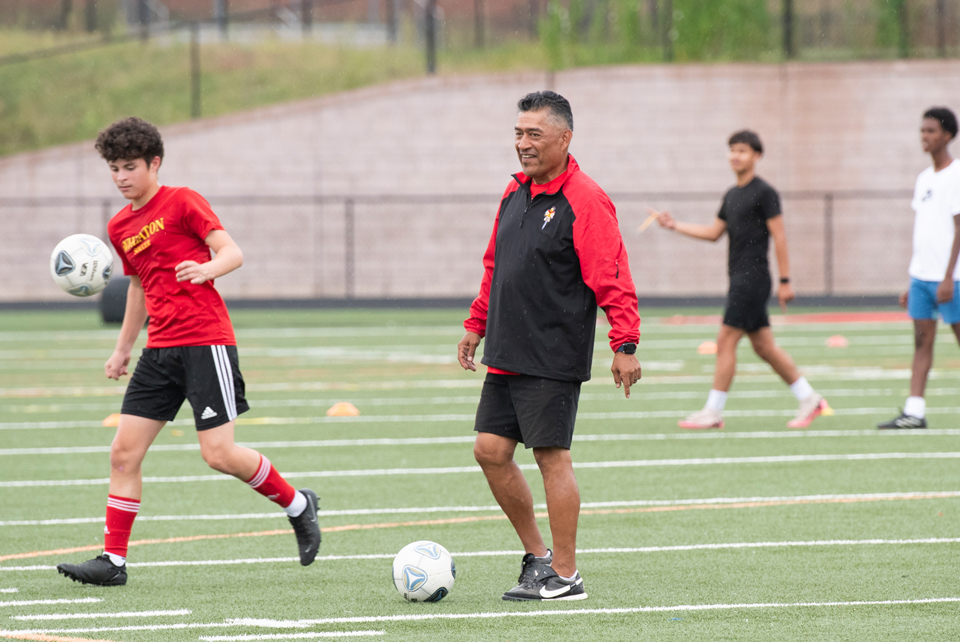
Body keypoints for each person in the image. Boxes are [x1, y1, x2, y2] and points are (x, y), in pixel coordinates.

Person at [56, 117, 321, 587]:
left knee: (218, 454)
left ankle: (298, 504)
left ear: (154, 163)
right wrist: (122, 349)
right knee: (123, 453)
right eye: (114, 168)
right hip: (159, 351)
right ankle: (113, 562)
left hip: (205, 341)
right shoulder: (120, 226)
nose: (121, 177)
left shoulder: (182, 201)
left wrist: (207, 269)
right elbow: (138, 287)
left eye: (130, 167)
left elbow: (232, 252)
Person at [457, 91, 642, 601]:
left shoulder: (586, 198)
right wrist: (477, 323)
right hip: (507, 347)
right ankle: (538, 558)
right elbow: (496, 265)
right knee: (490, 451)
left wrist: (624, 342)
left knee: (550, 456)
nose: (523, 143)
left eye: (534, 134)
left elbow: (612, 275)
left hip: (552, 351)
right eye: (518, 133)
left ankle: (565, 574)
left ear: (565, 138)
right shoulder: (514, 191)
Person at [652, 130, 828, 430]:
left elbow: (780, 236)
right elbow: (713, 233)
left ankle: (713, 412)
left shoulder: (765, 192)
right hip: (738, 277)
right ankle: (810, 399)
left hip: (753, 279)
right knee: (764, 347)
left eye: (743, 150)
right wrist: (674, 225)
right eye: (732, 149)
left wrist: (786, 280)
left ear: (756, 156)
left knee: (725, 339)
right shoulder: (731, 195)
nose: (736, 155)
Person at [879, 107, 960, 429]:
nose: (924, 136)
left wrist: (948, 277)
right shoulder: (923, 178)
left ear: (948, 136)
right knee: (921, 342)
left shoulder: (956, 174)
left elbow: (959, 228)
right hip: (922, 278)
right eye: (922, 131)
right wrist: (913, 278)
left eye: (931, 131)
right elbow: (925, 232)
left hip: (951, 279)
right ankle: (914, 411)